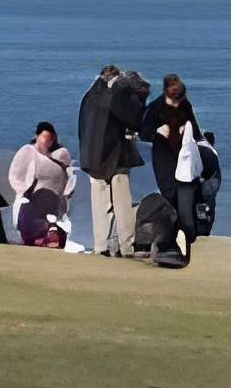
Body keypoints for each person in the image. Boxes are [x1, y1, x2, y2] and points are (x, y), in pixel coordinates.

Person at [74, 64, 141, 257]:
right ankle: (126, 246)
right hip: (116, 158)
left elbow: (82, 128)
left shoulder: (88, 98)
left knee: (99, 206)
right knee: (122, 206)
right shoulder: (115, 99)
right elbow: (131, 121)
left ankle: (100, 246)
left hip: (92, 159)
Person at [149, 75, 200, 258]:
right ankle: (168, 242)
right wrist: (157, 130)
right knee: (169, 197)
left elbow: (196, 130)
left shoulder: (185, 106)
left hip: (183, 160)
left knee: (184, 204)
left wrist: (187, 130)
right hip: (163, 160)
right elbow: (144, 129)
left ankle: (185, 240)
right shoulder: (156, 107)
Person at [8, 120, 73, 248]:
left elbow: (18, 181)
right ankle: (50, 232)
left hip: (43, 205)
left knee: (27, 217)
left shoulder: (32, 153)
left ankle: (46, 233)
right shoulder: (61, 156)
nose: (46, 142)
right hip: (54, 207)